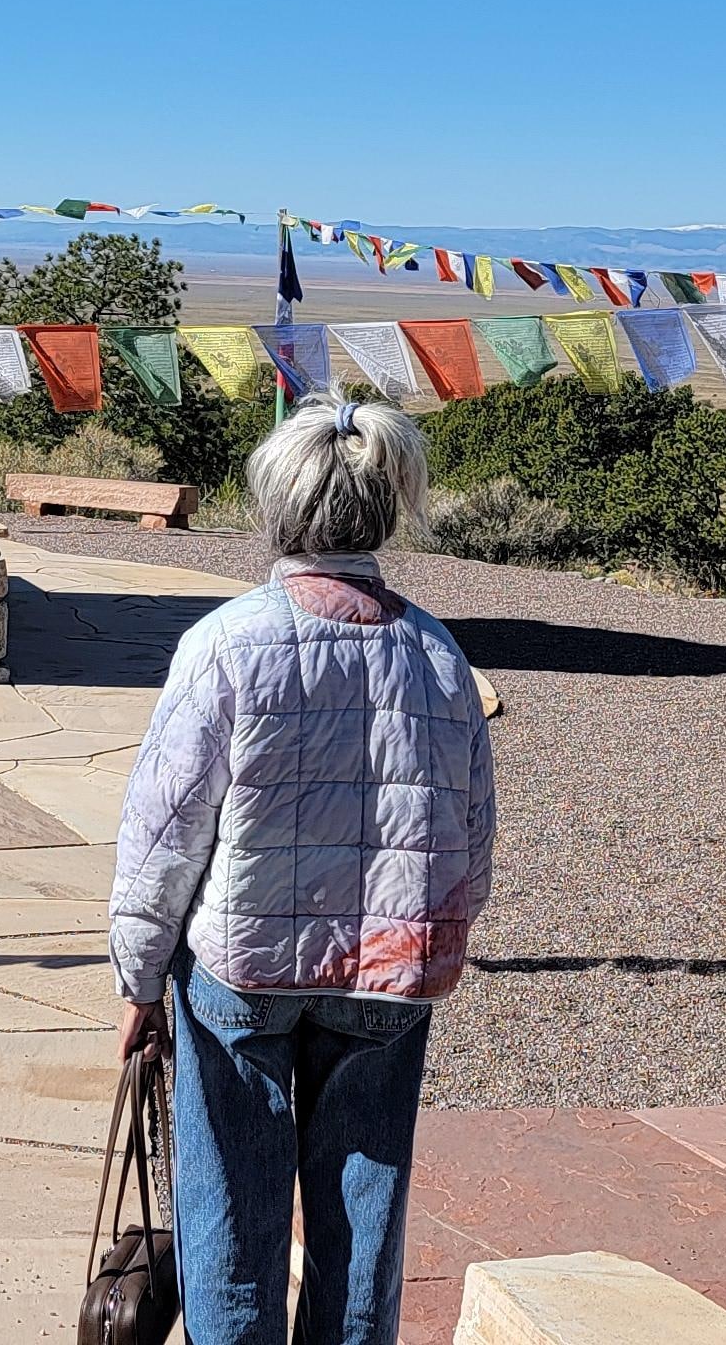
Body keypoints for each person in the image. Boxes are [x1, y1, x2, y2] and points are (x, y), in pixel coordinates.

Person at [106, 394, 495, 1345]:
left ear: (277, 511)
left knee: (231, 1216)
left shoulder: (229, 643)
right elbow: (471, 843)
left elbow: (164, 832)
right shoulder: (438, 654)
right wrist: (429, 946)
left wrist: (140, 974)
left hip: (241, 972)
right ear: (385, 508)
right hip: (389, 980)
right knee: (365, 1216)